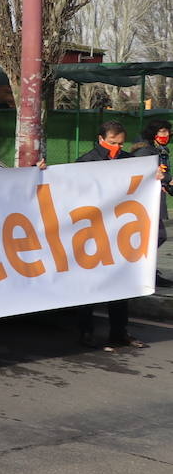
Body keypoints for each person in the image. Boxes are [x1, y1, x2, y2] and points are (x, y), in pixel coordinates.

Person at [74, 120, 147, 349]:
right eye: (112, 142)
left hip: (119, 233)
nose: (117, 147)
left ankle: (119, 332)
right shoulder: (86, 162)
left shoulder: (129, 161)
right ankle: (85, 331)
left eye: (120, 143)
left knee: (119, 285)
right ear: (101, 139)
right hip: (91, 233)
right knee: (90, 286)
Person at [128, 118, 173, 288]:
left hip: (153, 199)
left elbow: (163, 174)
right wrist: (168, 180)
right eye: (161, 131)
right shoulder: (145, 151)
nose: (165, 135)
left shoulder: (161, 150)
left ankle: (146, 270)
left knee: (155, 237)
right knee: (156, 236)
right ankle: (142, 271)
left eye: (167, 131)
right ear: (153, 132)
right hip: (144, 201)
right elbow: (148, 172)